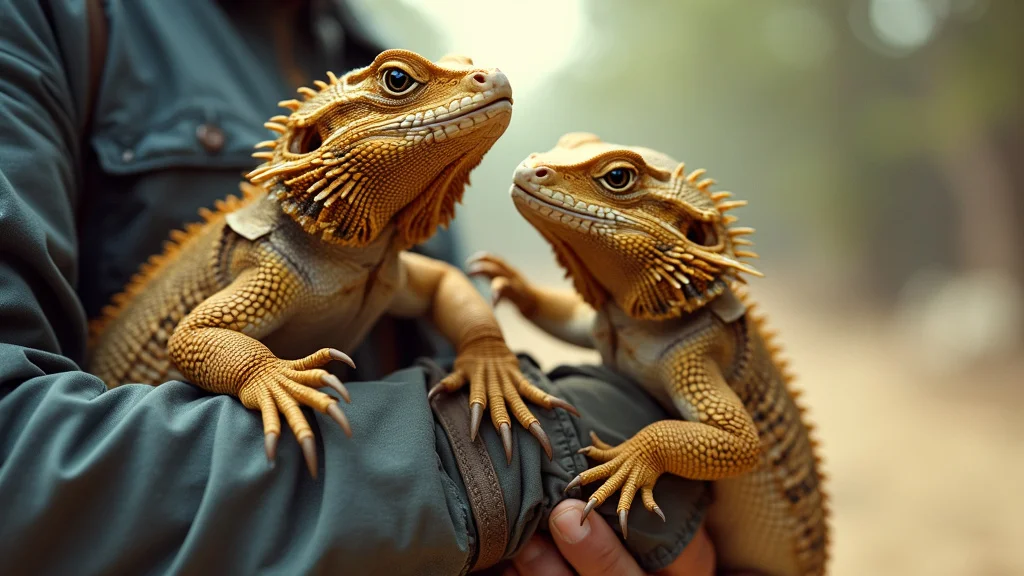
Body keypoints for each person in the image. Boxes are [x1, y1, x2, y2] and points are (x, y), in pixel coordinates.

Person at [0, 1, 714, 573]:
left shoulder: (375, 226)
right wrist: (514, 469)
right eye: (401, 85)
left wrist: (485, 348)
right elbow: (197, 339)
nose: (475, 83)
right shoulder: (279, 262)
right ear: (317, 142)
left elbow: (441, 294)